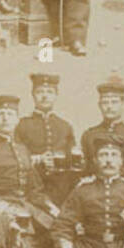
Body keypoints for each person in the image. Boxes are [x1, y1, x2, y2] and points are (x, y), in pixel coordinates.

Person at [0, 94, 55, 227]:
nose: (5, 118)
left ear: (17, 119)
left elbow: (35, 189)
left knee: (58, 229)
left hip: (27, 206)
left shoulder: (23, 149)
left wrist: (51, 207)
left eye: (10, 114)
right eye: (0, 114)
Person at [16, 72, 79, 206]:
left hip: (61, 188)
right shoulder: (21, 125)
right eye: (39, 92)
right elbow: (15, 157)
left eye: (49, 92)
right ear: (33, 95)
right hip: (32, 186)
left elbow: (72, 161)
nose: (44, 96)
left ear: (56, 95)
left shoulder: (65, 125)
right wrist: (38, 159)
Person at [80, 74, 124, 161]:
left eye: (114, 102)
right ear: (99, 105)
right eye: (105, 102)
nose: (109, 106)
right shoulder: (89, 135)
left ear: (123, 105)